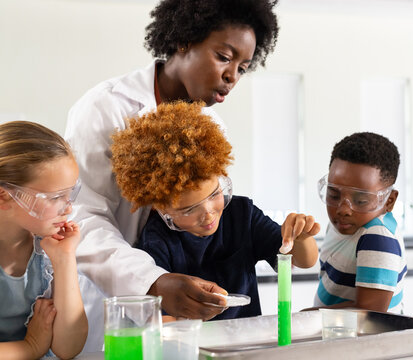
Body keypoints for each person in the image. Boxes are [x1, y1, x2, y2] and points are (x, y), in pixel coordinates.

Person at [64, 0, 279, 320]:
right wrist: (153, 282)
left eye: (242, 68)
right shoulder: (106, 107)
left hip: (183, 316)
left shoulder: (212, 127)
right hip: (106, 305)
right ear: (184, 40)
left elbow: (206, 221)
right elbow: (82, 217)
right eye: (223, 57)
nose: (232, 76)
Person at [110, 101, 320, 320]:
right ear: (161, 208)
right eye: (190, 209)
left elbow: (304, 261)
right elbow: (162, 320)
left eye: (214, 195)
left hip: (247, 342)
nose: (209, 214)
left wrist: (301, 236)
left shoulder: (242, 214)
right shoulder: (156, 241)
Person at [0, 121, 88, 359]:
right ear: (4, 196)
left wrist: (64, 259)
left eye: (71, 194)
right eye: (56, 197)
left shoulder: (48, 248)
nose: (68, 208)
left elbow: (68, 348)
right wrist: (30, 347)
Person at [309, 132, 407, 313]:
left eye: (361, 201)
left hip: (368, 339)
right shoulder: (341, 224)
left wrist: (305, 317)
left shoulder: (378, 237)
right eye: (333, 195)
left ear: (389, 201)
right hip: (337, 334)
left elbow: (370, 313)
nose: (343, 209)